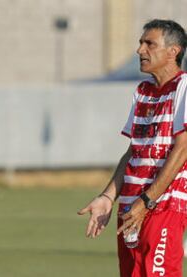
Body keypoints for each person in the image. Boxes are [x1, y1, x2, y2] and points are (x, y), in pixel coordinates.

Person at [78, 19, 187, 276]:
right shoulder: (143, 91)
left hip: (163, 206)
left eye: (149, 43)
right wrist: (107, 197)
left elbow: (183, 148)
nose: (140, 50)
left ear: (174, 51)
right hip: (131, 206)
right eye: (140, 43)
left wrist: (147, 201)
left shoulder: (184, 87)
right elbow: (133, 152)